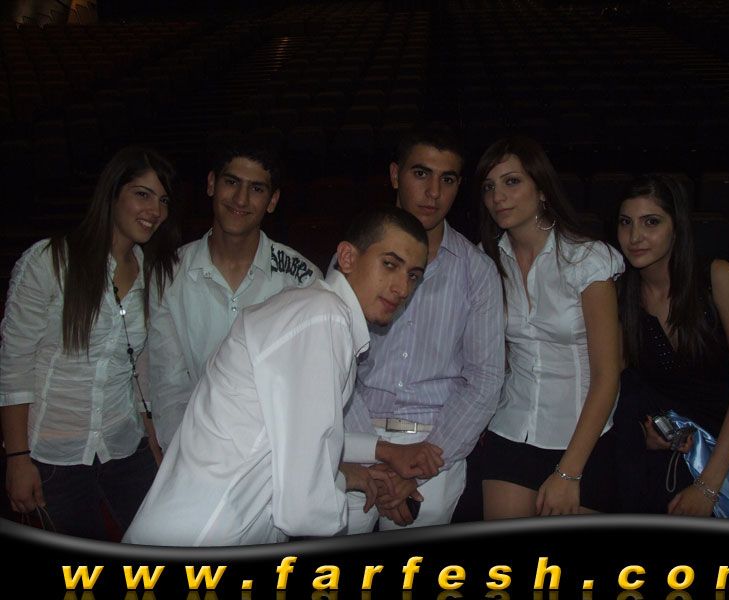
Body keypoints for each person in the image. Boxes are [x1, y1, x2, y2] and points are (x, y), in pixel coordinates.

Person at [121, 206, 429, 546]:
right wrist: (362, 489)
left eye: (413, 275)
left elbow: (296, 434)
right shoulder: (323, 318)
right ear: (347, 257)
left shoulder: (312, 309)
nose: (402, 288)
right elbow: (302, 506)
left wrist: (374, 456)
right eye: (390, 264)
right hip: (205, 531)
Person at [0, 146, 182, 540]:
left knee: (161, 540)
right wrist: (16, 458)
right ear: (112, 194)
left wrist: (152, 432)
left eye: (163, 200)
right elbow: (14, 365)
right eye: (142, 194)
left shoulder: (154, 272)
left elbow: (141, 365)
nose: (155, 210)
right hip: (54, 452)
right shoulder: (50, 262)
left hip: (124, 442)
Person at [341, 126, 505, 532]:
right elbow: (335, 367)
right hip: (356, 436)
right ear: (395, 175)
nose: (433, 192)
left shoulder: (477, 271)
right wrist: (375, 458)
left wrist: (419, 467)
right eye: (421, 174)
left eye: (447, 179)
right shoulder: (357, 255)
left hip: (436, 443)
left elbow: (484, 380)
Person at [613, 174, 729, 521]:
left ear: (677, 228)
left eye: (651, 222)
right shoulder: (620, 294)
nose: (635, 236)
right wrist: (646, 433)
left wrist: (708, 484)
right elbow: (623, 386)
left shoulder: (716, 277)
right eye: (625, 222)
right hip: (678, 446)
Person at [478, 135, 623, 518]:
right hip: (511, 427)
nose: (498, 197)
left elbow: (608, 375)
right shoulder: (487, 261)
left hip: (582, 438)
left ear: (542, 189)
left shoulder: (586, 259)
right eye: (489, 187)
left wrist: (568, 472)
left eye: (512, 182)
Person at [146, 135, 321, 450]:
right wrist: (187, 456)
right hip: (195, 449)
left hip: (276, 453)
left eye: (256, 189)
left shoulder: (302, 281)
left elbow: (310, 385)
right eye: (232, 182)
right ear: (211, 184)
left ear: (272, 201)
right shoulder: (169, 276)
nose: (241, 199)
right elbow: (169, 387)